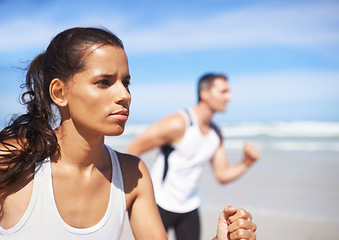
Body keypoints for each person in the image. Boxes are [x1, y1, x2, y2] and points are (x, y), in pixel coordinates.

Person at [0, 27, 256, 240]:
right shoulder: (9, 160)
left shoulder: (134, 175)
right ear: (59, 93)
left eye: (126, 82)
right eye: (104, 82)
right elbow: (142, 142)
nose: (124, 95)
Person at [127, 73, 260, 240]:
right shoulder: (179, 123)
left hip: (190, 207)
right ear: (205, 93)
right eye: (224, 91)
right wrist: (139, 195)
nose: (230, 97)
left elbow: (222, 175)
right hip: (160, 204)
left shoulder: (215, 134)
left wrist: (246, 163)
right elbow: (134, 148)